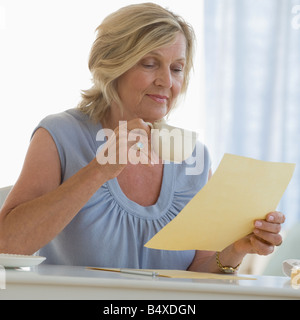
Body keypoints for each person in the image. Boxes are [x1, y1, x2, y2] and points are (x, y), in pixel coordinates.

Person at [0, 3, 284, 273]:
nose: (166, 81)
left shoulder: (195, 158)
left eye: (176, 69)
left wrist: (236, 249)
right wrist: (98, 171)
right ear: (113, 65)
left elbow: (198, 272)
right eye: (149, 64)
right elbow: (7, 245)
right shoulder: (60, 135)